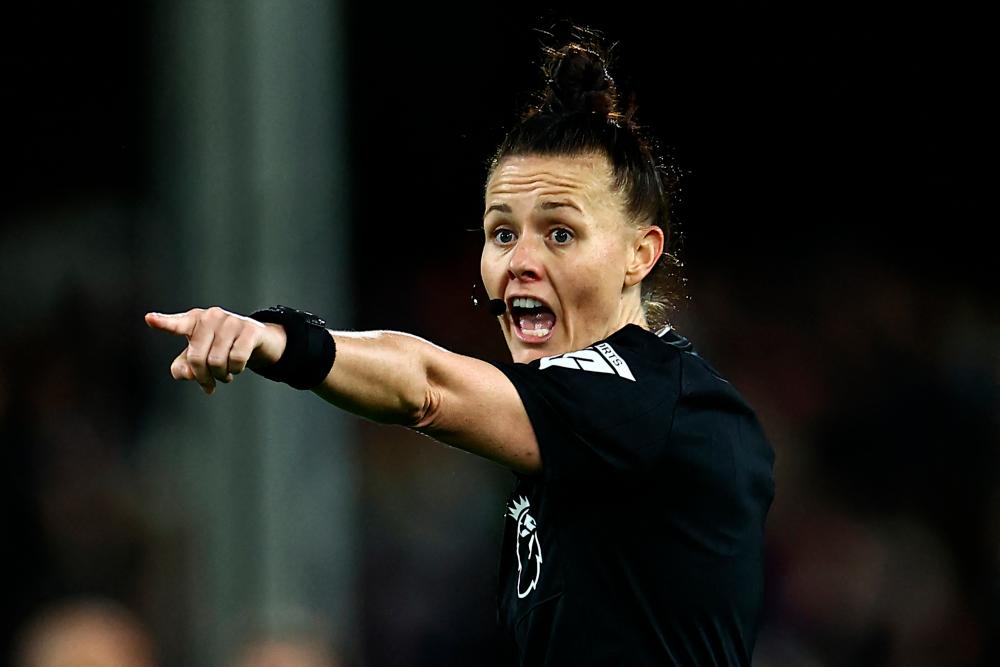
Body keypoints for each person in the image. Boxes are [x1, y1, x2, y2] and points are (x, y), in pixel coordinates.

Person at [146, 30, 775, 666]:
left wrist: (280, 340)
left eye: (560, 233)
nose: (521, 261)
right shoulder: (590, 429)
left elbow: (427, 389)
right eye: (502, 233)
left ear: (641, 254)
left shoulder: (649, 402)